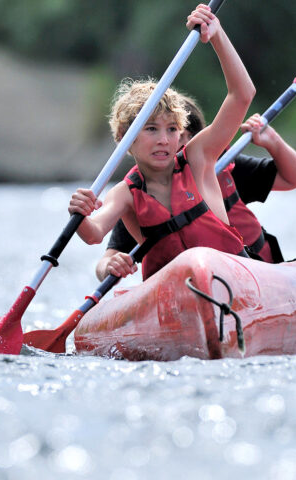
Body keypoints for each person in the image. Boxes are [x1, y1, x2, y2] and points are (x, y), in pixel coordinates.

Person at [68, 3, 255, 281]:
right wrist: (80, 214)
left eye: (172, 129)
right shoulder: (126, 194)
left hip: (233, 280)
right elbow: (94, 233)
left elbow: (242, 94)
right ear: (124, 139)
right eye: (151, 129)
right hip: (174, 293)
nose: (164, 140)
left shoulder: (198, 158)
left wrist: (216, 35)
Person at [95, 99, 296, 281]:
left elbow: (295, 178)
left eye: (178, 134)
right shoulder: (141, 199)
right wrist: (109, 266)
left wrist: (274, 143)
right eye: (158, 131)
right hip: (186, 290)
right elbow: (106, 259)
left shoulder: (223, 167)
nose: (173, 145)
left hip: (253, 275)